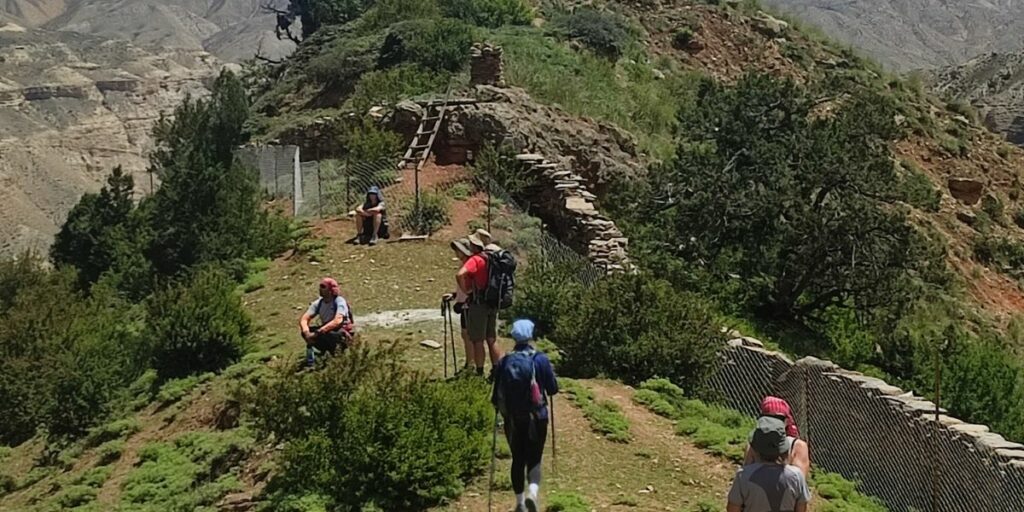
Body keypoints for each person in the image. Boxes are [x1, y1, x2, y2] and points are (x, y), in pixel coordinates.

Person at [492, 319, 559, 512]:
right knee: (535, 458)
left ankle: (520, 502)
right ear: (530, 335)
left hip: (513, 418)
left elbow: (496, 396)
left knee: (517, 459)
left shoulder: (505, 361)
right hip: (538, 416)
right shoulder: (540, 359)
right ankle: (533, 494)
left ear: (513, 336)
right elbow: (553, 389)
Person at [727, 416, 811, 512]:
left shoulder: (743, 475)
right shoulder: (796, 476)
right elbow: (801, 508)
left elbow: (732, 509)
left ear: (756, 447)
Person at [457, 233, 503, 375]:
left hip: (478, 304)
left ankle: (479, 372)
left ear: (474, 245)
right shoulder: (492, 259)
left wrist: (466, 290)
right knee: (491, 338)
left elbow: (460, 274)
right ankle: (497, 370)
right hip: (492, 302)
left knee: (477, 340)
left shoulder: (476, 259)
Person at [743, 396, 810, 478]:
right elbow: (745, 476)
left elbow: (799, 481)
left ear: (786, 421)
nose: (772, 423)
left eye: (778, 419)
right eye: (768, 418)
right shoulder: (753, 444)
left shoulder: (797, 446)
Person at [299, 277, 354, 368]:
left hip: (342, 332)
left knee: (331, 334)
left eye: (323, 287)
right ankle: (325, 352)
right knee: (308, 332)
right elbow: (304, 319)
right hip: (326, 331)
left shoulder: (339, 301)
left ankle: (337, 354)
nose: (320, 289)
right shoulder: (318, 303)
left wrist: (318, 332)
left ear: (330, 290)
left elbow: (338, 320)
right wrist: (306, 332)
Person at [443, 238, 475, 373]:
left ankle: (471, 365)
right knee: (466, 335)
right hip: (464, 304)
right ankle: (470, 363)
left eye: (458, 249)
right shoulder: (466, 264)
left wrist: (465, 299)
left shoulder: (469, 265)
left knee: (468, 335)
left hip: (468, 305)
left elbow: (471, 286)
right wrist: (455, 296)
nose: (456, 252)